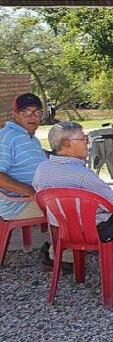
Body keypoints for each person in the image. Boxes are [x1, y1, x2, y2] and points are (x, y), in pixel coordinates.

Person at [33, 121, 113, 280]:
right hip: (95, 231)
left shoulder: (42, 169)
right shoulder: (83, 175)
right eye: (83, 139)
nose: (88, 142)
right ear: (67, 144)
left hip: (64, 232)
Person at [0, 93, 73, 271]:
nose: (33, 117)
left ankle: (64, 245)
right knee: (71, 205)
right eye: (27, 112)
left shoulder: (27, 136)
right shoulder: (7, 137)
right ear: (15, 114)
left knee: (80, 193)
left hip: (37, 196)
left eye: (37, 113)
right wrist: (32, 192)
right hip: (16, 203)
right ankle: (59, 256)